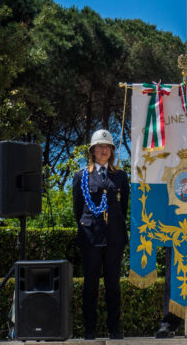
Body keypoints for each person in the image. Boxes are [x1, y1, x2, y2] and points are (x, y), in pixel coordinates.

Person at [72, 129, 130, 340]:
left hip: (114, 237)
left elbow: (122, 208)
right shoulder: (81, 176)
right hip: (91, 237)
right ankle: (90, 329)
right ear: (93, 151)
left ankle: (115, 328)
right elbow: (77, 209)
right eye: (100, 146)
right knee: (91, 285)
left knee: (113, 284)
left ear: (112, 151)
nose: (104, 150)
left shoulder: (121, 176)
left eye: (107, 147)